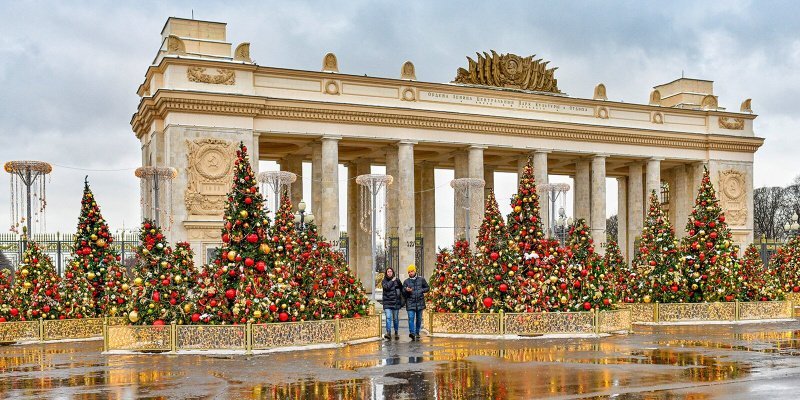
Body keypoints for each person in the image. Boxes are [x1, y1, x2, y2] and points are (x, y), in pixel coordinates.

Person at [402, 264, 429, 341]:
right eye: (409, 272)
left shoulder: (421, 279)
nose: (410, 273)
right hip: (410, 303)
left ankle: (417, 332)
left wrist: (421, 290)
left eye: (412, 271)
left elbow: (427, 288)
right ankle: (412, 333)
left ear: (415, 271)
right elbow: (403, 292)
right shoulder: (406, 281)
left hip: (420, 302)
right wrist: (406, 290)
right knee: (411, 318)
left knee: (419, 319)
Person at [381, 267, 402, 340]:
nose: (389, 273)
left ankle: (396, 332)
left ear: (393, 272)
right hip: (387, 303)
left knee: (395, 318)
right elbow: (386, 287)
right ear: (386, 273)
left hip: (396, 302)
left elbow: (401, 288)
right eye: (388, 272)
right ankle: (388, 333)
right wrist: (392, 281)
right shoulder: (384, 281)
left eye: (390, 271)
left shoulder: (397, 280)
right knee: (388, 317)